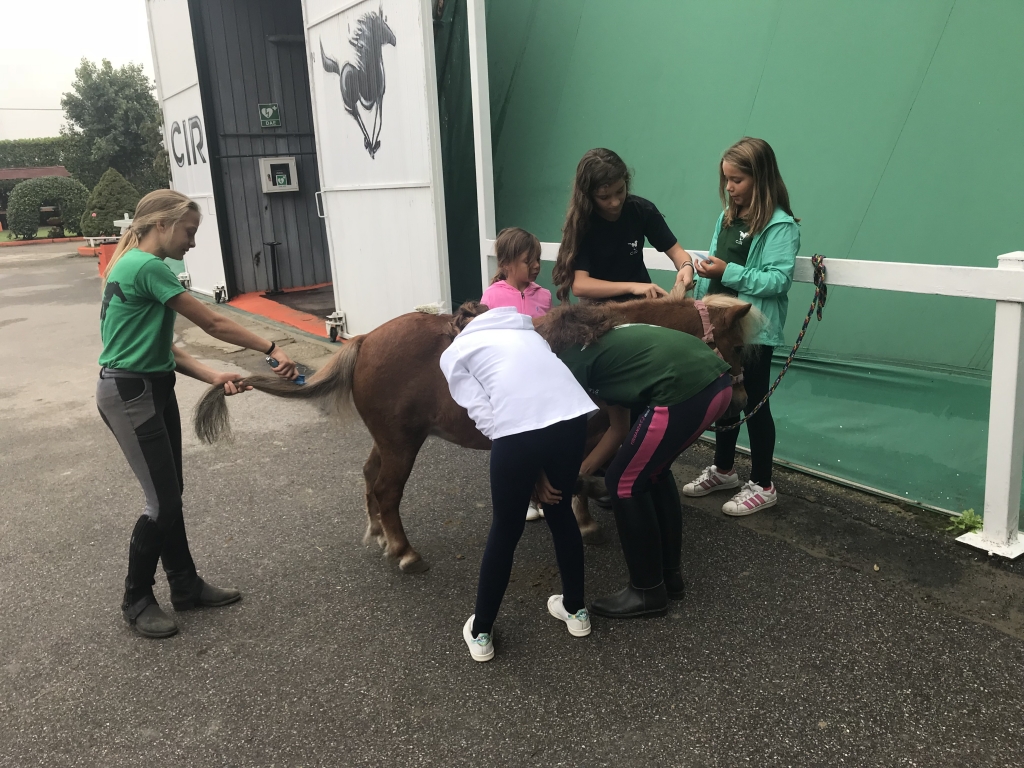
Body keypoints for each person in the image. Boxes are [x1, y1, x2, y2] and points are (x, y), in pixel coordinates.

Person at [97, 189, 298, 639]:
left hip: (150, 386)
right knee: (162, 502)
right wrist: (271, 347)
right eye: (188, 232)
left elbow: (161, 347)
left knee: (171, 495)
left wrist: (211, 374)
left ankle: (184, 585)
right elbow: (213, 322)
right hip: (130, 393)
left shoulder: (132, 263)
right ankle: (136, 599)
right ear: (162, 224)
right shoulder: (146, 266)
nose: (191, 242)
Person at [538, 305, 734, 618]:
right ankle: (669, 578)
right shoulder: (610, 353)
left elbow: (558, 433)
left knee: (623, 483)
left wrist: (543, 476)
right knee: (654, 474)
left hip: (685, 390)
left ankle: (646, 591)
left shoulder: (572, 359)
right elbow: (618, 429)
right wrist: (581, 474)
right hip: (717, 385)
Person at [440, 305, 598, 662]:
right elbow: (543, 400)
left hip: (519, 431)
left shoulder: (456, 350)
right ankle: (576, 611)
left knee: (506, 528)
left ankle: (481, 631)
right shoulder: (527, 332)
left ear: (458, 329)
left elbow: (485, 414)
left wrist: (526, 467)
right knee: (560, 511)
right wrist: (535, 471)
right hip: (573, 418)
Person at [685, 137, 800, 516]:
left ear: (760, 177)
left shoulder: (780, 226)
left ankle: (764, 484)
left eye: (737, 180)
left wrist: (727, 271)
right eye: (726, 180)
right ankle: (724, 470)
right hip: (719, 326)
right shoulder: (727, 217)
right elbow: (715, 264)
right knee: (724, 398)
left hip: (752, 332)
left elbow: (777, 281)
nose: (730, 188)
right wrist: (698, 285)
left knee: (753, 400)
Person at [551, 147, 696, 304]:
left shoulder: (643, 210)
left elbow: (677, 252)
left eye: (620, 191)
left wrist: (686, 266)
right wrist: (632, 287)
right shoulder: (582, 224)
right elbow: (580, 285)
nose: (615, 202)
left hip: (641, 303)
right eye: (604, 197)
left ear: (626, 181)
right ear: (588, 196)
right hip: (597, 308)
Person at [480, 227, 551, 522]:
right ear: (505, 263)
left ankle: (540, 493)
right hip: (508, 381)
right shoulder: (491, 295)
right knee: (515, 442)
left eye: (538, 259)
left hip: (538, 379)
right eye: (527, 261)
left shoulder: (544, 296)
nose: (535, 266)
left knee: (542, 438)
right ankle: (522, 496)